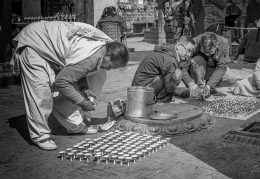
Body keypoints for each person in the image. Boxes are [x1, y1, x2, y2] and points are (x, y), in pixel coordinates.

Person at [11, 21, 129, 150]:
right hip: (34, 42)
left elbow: (80, 69)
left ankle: (75, 125)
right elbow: (63, 82)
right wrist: (82, 102)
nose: (108, 69)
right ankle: (41, 135)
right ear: (108, 55)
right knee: (41, 92)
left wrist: (85, 88)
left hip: (50, 43)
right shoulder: (93, 56)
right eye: (111, 66)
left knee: (73, 88)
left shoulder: (103, 48)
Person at [132, 35, 196, 103]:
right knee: (177, 74)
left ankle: (162, 98)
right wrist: (189, 93)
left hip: (139, 90)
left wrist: (190, 83)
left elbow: (182, 68)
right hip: (140, 94)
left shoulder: (169, 52)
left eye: (191, 52)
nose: (189, 54)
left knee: (177, 73)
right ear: (178, 45)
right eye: (188, 50)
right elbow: (170, 88)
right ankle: (159, 100)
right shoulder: (170, 60)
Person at [181, 32, 237, 99]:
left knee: (231, 79)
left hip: (213, 65)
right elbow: (183, 67)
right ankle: (200, 88)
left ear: (216, 45)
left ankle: (210, 88)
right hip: (199, 66)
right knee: (197, 60)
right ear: (201, 45)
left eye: (210, 52)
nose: (207, 54)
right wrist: (189, 83)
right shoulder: (194, 43)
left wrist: (209, 85)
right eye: (205, 52)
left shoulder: (224, 43)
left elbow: (221, 68)